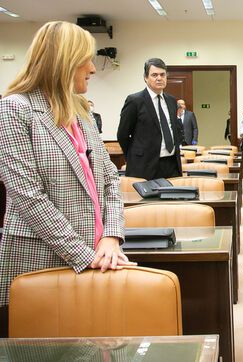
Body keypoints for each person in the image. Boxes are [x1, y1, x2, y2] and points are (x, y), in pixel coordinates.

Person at [0, 21, 136, 338]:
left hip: (99, 252)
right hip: (41, 258)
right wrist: (84, 255)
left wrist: (112, 237)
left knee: (96, 343)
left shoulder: (81, 111)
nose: (91, 68)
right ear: (63, 61)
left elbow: (109, 181)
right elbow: (28, 197)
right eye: (85, 60)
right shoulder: (14, 109)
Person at [117, 58, 182, 180]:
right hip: (144, 166)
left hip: (171, 165)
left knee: (173, 198)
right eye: (154, 75)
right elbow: (122, 135)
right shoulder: (135, 101)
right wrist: (134, 157)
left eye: (162, 75)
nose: (159, 78)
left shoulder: (171, 101)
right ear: (145, 78)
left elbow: (174, 130)